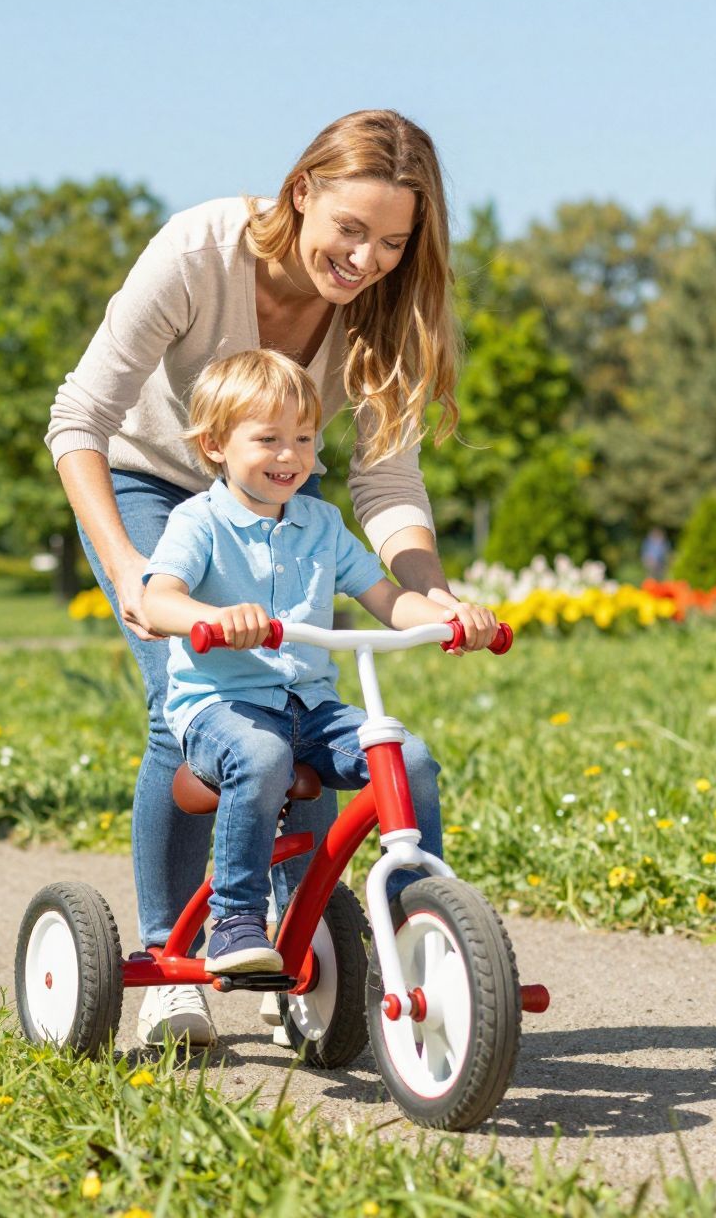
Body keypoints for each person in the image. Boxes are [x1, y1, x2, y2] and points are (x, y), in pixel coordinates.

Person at [47, 108, 493, 1044]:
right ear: (301, 193)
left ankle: (306, 944)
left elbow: (385, 481)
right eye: (350, 229)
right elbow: (80, 418)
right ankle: (175, 959)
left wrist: (431, 593)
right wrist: (130, 571)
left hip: (283, 490)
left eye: (393, 243)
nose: (366, 260)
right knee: (191, 704)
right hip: (148, 481)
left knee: (300, 696)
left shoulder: (385, 312)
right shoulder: (199, 252)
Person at [139, 351, 492, 971]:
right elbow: (156, 599)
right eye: (268, 439)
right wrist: (212, 618)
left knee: (407, 758)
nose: (290, 455)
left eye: (304, 438)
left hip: (313, 708)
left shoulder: (322, 524)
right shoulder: (200, 522)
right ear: (216, 444)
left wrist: (451, 617)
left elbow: (387, 599)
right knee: (261, 756)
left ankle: (417, 917)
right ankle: (237, 919)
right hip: (222, 711)